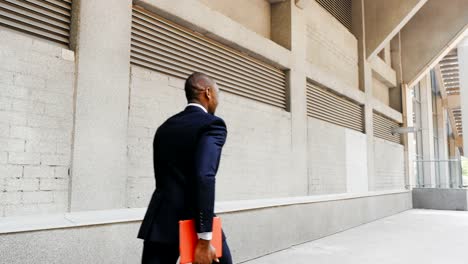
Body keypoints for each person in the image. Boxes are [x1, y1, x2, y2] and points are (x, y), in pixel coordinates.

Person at [137, 72, 233, 264]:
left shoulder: (165, 127)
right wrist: (205, 239)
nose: (217, 101)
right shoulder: (213, 125)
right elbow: (204, 176)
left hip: (162, 222)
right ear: (208, 93)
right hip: (197, 219)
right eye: (217, 95)